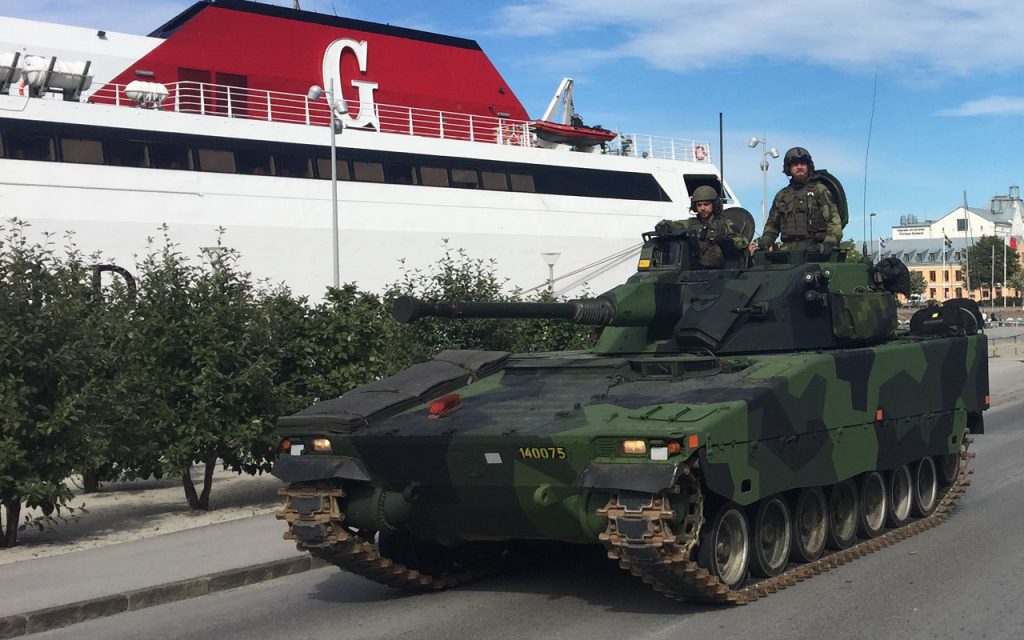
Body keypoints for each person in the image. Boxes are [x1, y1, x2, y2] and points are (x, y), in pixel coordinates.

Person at [754, 147, 843, 257]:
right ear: (789, 168)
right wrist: (765, 243)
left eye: (803, 164)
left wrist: (830, 242)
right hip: (788, 253)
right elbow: (772, 226)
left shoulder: (819, 190)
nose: (799, 167)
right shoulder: (781, 196)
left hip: (816, 251)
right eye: (795, 164)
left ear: (808, 166)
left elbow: (834, 221)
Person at [655, 185, 748, 269]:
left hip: (720, 271)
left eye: (706, 204)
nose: (702, 208)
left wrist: (725, 240)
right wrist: (664, 225)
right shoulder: (691, 224)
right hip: (695, 270)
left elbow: (741, 240)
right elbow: (672, 224)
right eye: (699, 205)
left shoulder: (724, 224)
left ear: (714, 204)